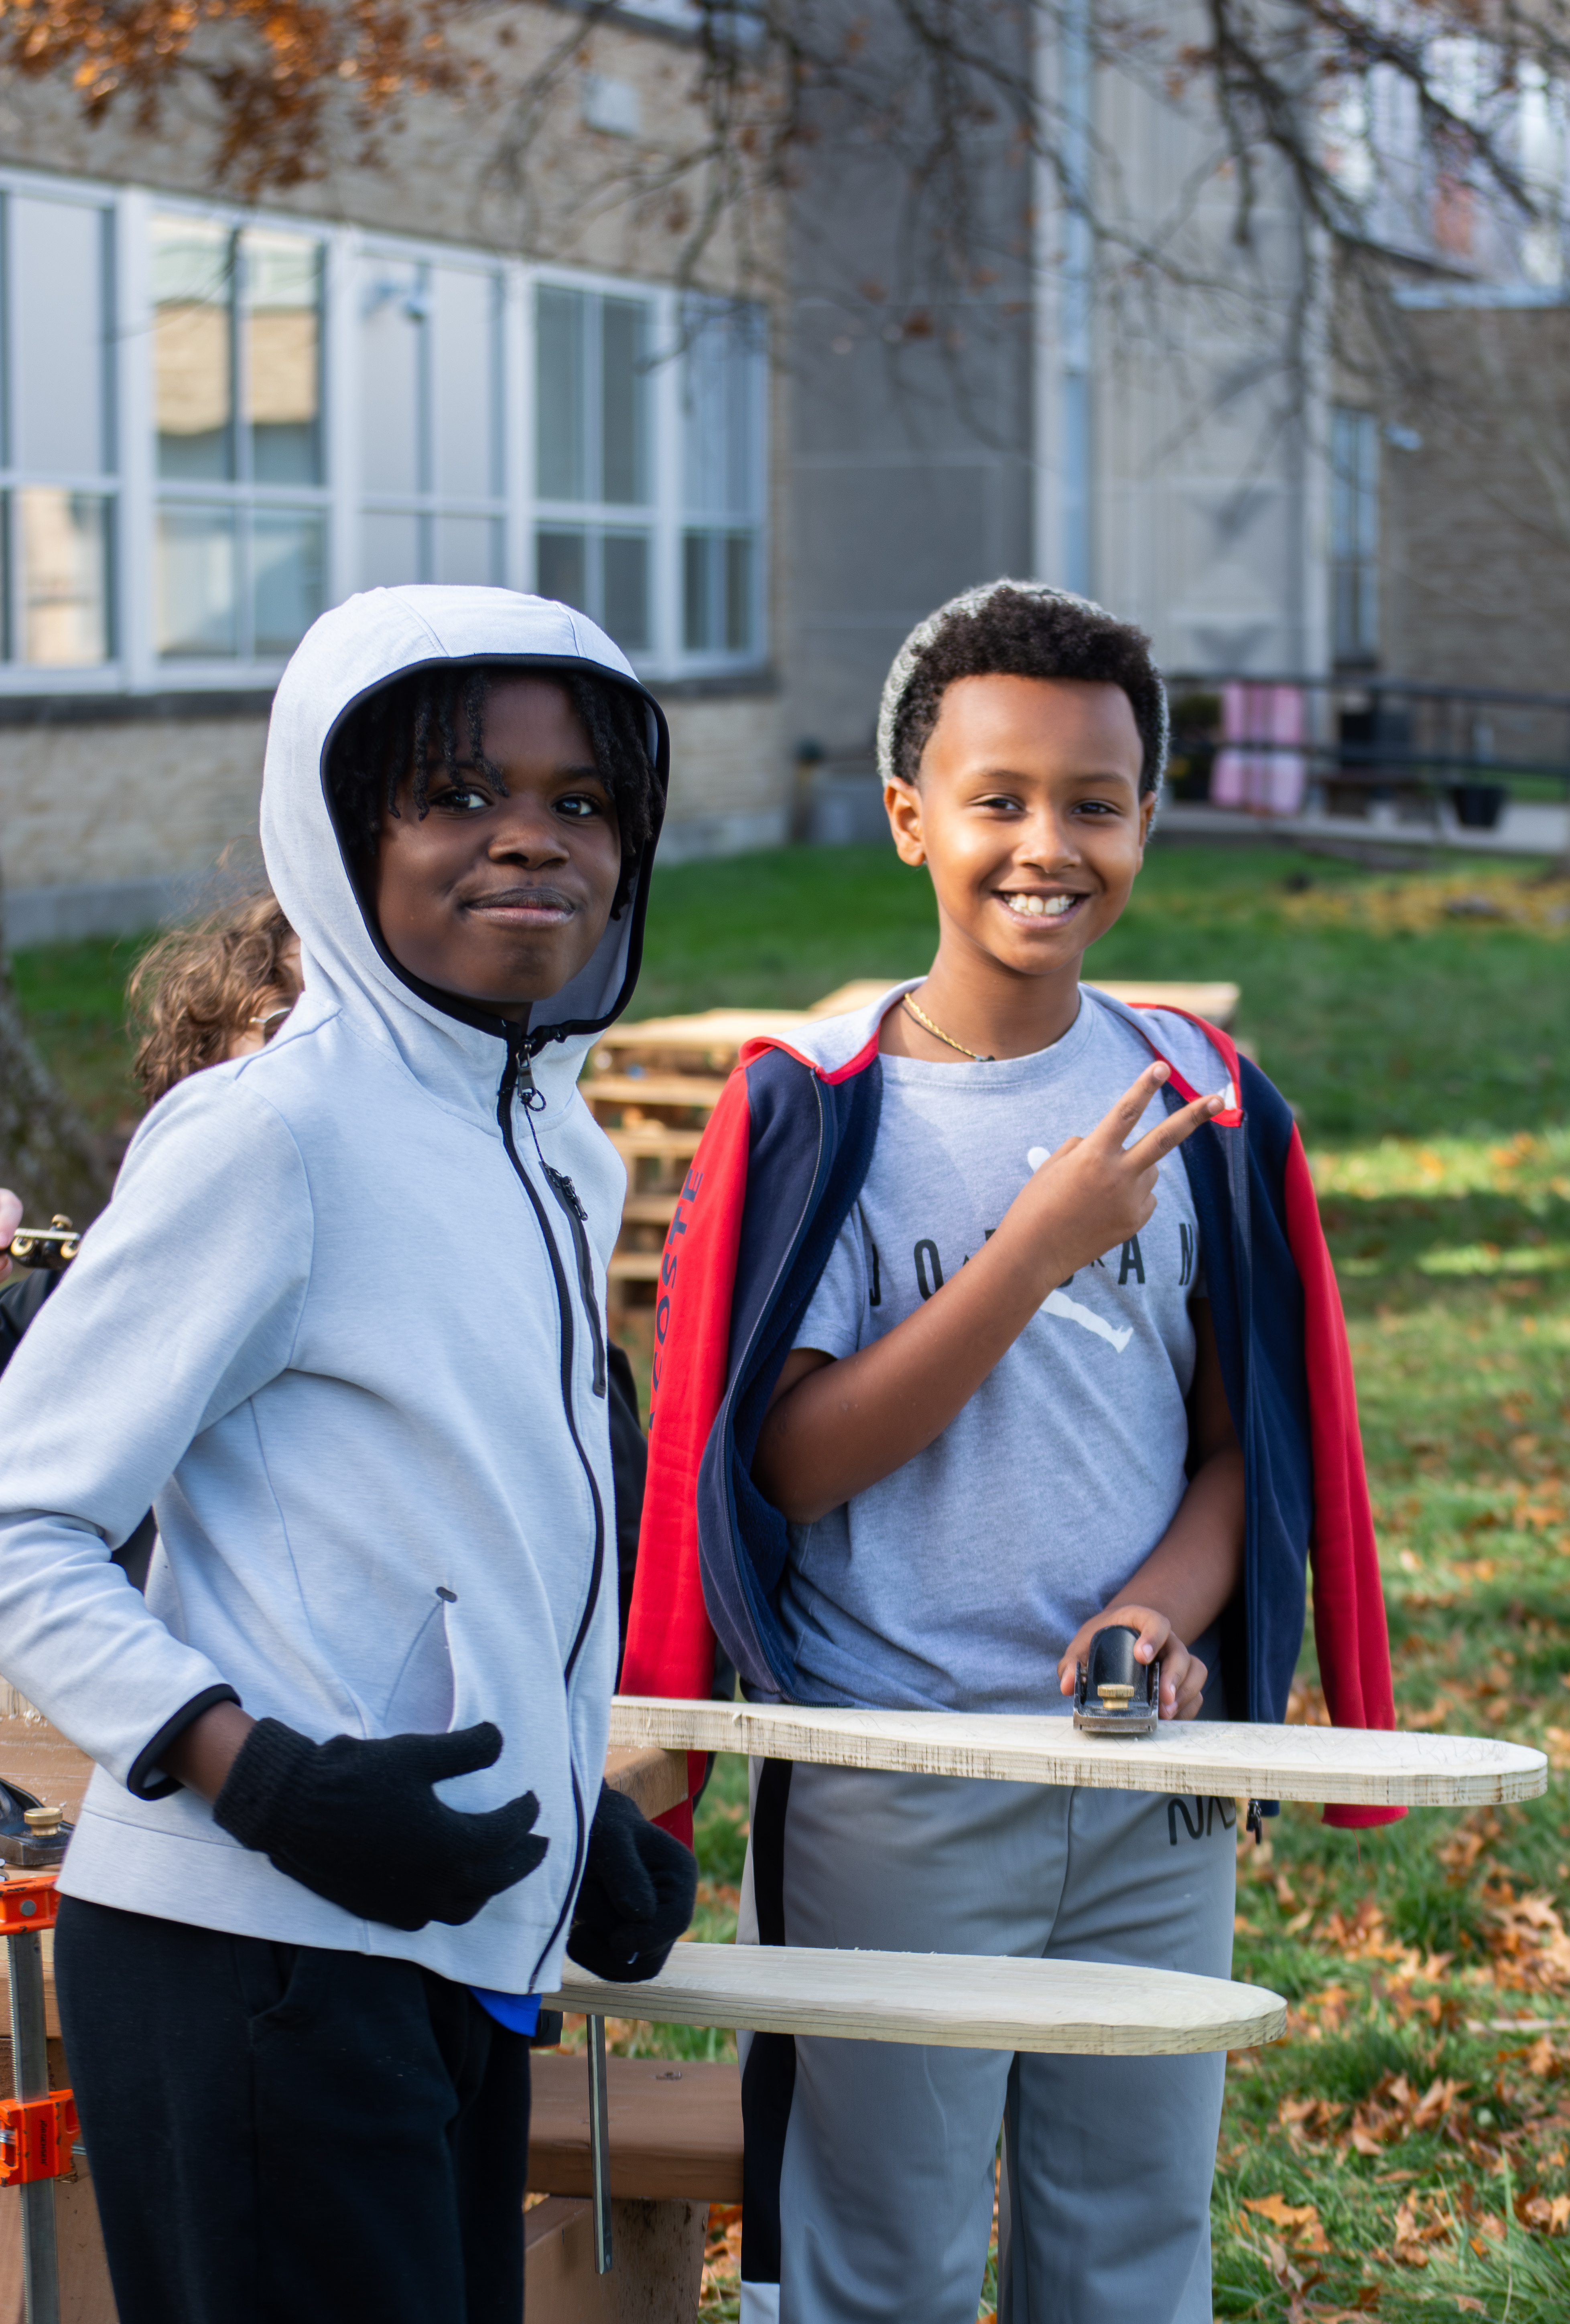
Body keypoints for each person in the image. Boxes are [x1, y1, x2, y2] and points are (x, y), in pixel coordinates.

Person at [622, 581, 1399, 2324]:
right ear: (910, 818)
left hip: (1143, 1783)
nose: (1048, 845)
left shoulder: (1199, 1099)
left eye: (1094, 803)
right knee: (878, 2260)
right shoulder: (826, 1105)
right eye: (998, 800)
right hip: (893, 1781)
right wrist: (1030, 1251)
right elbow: (788, 1467)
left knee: (1129, 2249)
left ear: (1147, 820)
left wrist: (1160, 1611)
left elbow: (1236, 1453)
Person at [0, 586, 695, 2324]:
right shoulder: (271, 1133)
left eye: (580, 799)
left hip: (438, 1941)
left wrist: (571, 1818)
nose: (528, 836)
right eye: (454, 794)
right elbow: (21, 1525)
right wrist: (257, 1776)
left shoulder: (560, 1151)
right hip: (253, 1954)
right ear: (337, 831)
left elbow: (454, 1528)